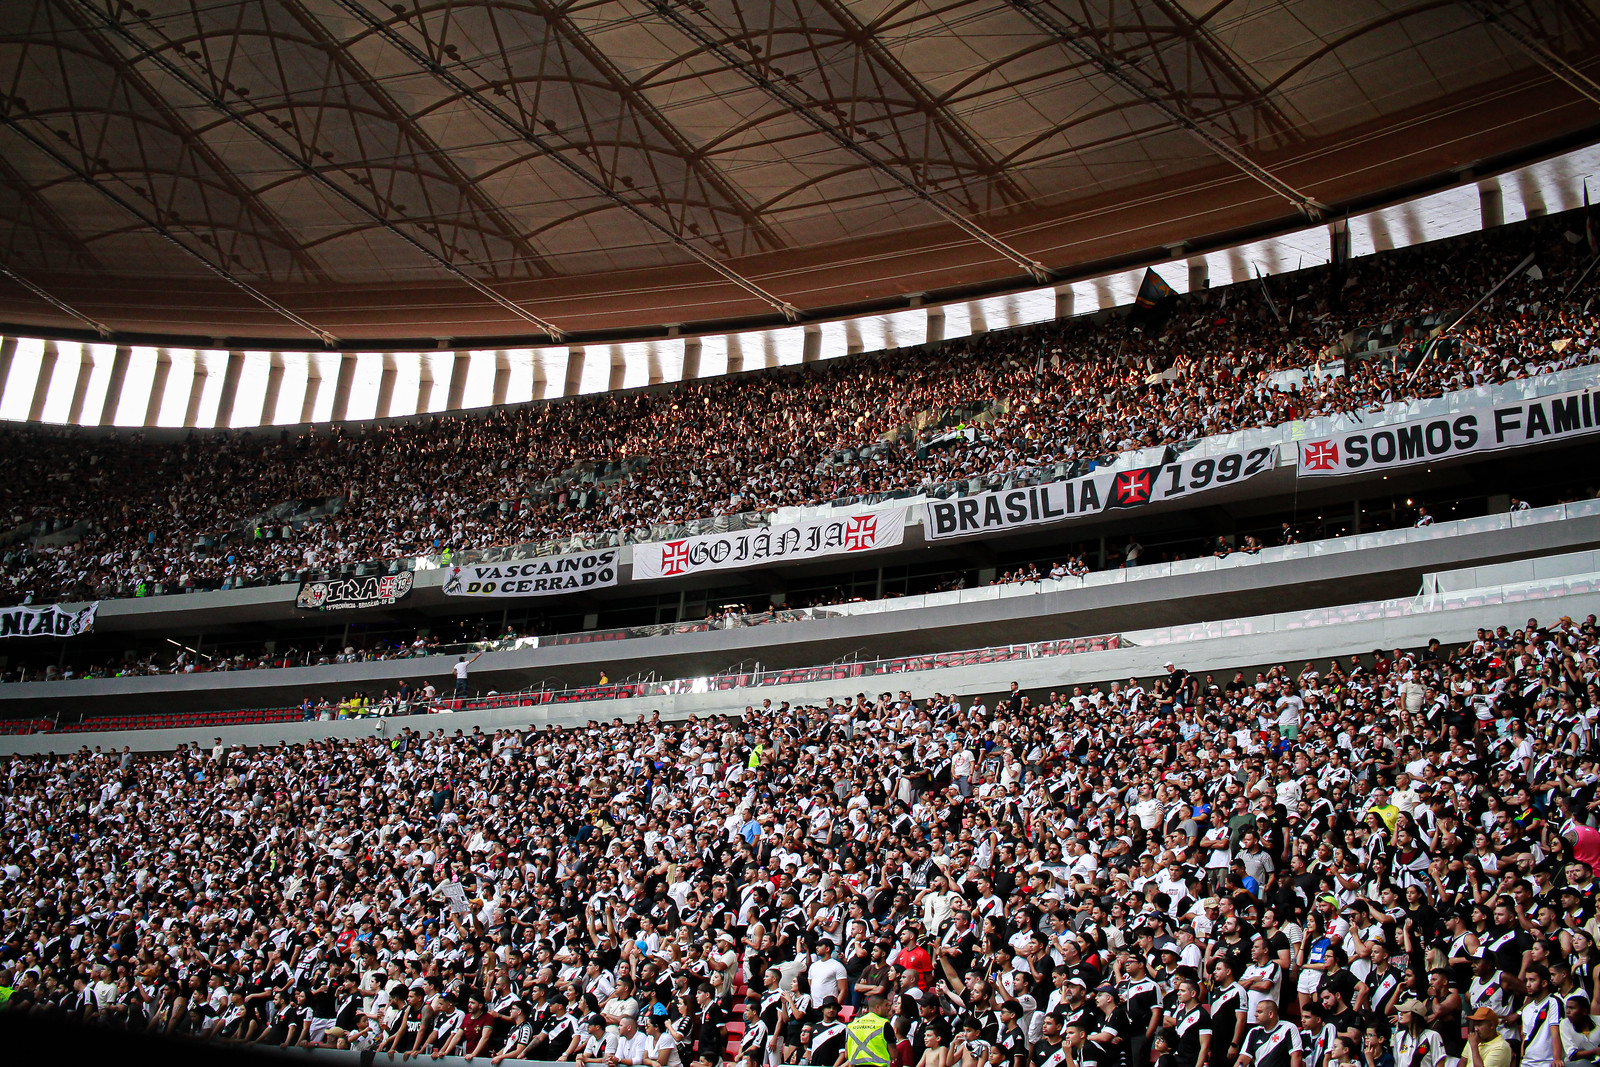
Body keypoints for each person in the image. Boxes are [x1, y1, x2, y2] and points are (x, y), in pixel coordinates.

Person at [1236, 1000, 1302, 1067]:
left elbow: (1296, 1055)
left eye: (1259, 1012)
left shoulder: (1288, 1028)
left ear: (1270, 1014)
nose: (1255, 1015)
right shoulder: (1254, 1032)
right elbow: (1243, 1058)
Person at [841, 993, 897, 1067]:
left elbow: (846, 1055)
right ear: (878, 1007)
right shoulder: (884, 1024)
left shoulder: (851, 1025)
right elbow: (893, 1055)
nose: (888, 1008)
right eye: (886, 1005)